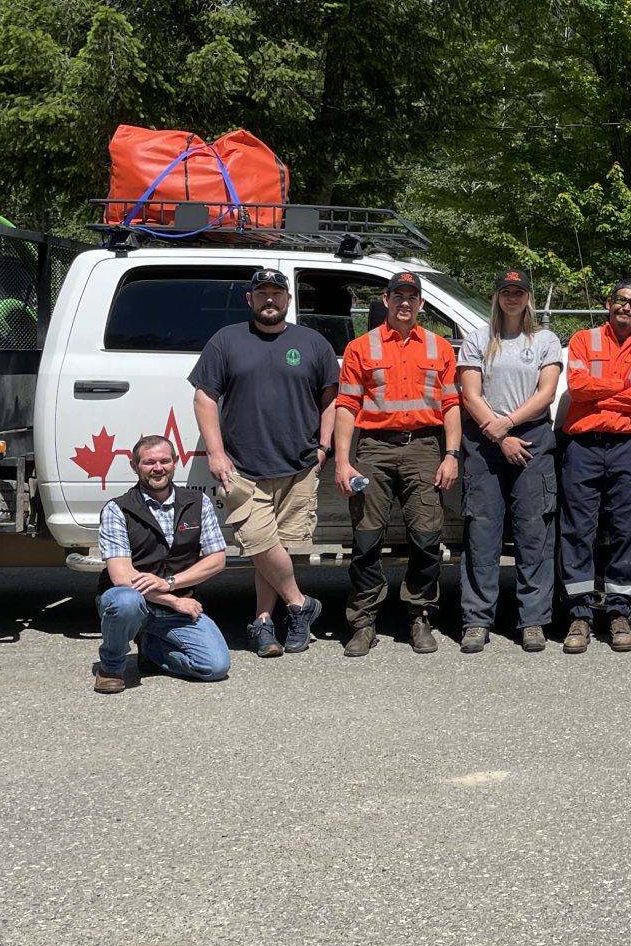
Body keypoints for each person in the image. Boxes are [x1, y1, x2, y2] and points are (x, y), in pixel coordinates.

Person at [190, 265, 338, 658]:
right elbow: (205, 398)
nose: (269, 299)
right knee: (258, 541)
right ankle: (299, 603)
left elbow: (330, 399)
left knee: (280, 548)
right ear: (249, 299)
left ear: (288, 299)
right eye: (262, 293)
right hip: (242, 467)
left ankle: (262, 622)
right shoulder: (226, 340)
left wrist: (324, 447)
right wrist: (216, 453)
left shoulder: (313, 343)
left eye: (276, 293)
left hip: (300, 463)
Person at [334, 272, 461, 656]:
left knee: (426, 538)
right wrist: (343, 461)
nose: (405, 303)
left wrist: (451, 455)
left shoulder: (440, 348)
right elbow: (346, 406)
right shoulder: (361, 347)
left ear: (422, 304)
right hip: (374, 449)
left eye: (412, 297)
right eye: (398, 296)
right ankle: (363, 621)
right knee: (366, 539)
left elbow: (452, 405)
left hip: (425, 447)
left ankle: (420, 615)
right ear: (385, 300)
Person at [455, 268, 563, 655]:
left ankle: (532, 620)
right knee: (481, 534)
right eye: (506, 291)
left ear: (528, 297)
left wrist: (509, 426)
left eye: (519, 292)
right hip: (486, 442)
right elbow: (470, 394)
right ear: (497, 295)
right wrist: (500, 435)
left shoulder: (546, 340)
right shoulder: (478, 339)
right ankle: (476, 620)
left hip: (531, 438)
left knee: (534, 533)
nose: (512, 298)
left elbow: (546, 393)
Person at [559, 277, 631, 654]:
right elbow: (577, 388)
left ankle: (620, 613)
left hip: (627, 448)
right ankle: (579, 616)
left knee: (627, 527)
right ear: (609, 303)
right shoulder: (584, 340)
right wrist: (622, 388)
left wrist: (601, 390)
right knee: (577, 530)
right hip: (583, 446)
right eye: (621, 300)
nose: (626, 307)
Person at [92, 434, 231, 692]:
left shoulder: (198, 503)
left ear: (175, 462)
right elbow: (122, 577)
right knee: (125, 601)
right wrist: (173, 599)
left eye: (165, 461)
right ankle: (111, 667)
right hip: (138, 602)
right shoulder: (117, 509)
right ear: (135, 467)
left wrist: (171, 584)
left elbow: (217, 559)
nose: (158, 468)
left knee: (215, 667)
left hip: (176, 608)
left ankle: (151, 648)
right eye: (149, 462)